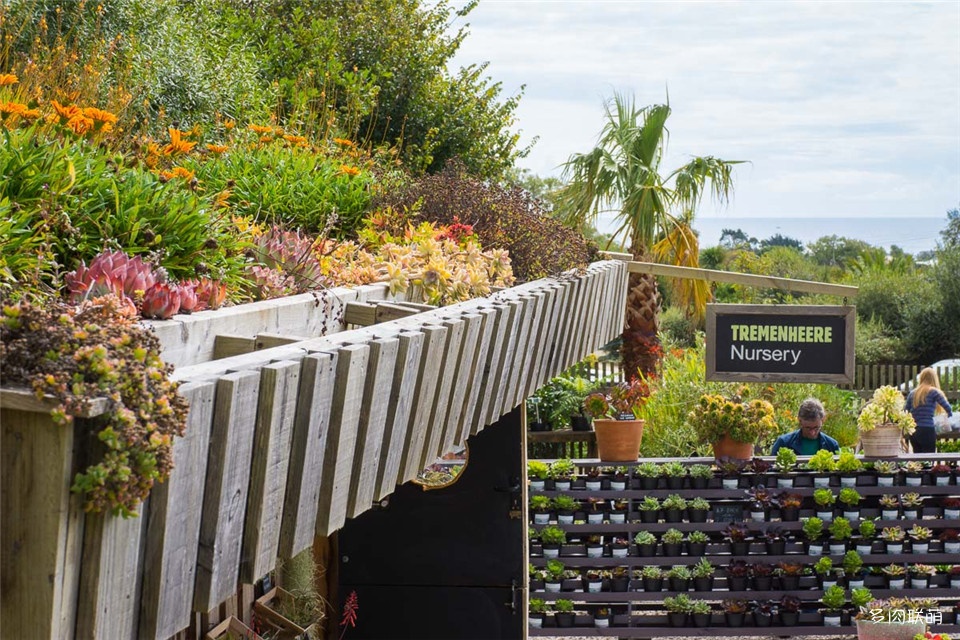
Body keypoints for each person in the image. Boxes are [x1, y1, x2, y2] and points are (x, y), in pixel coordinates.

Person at [770, 398, 840, 456]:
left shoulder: (831, 445)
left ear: (823, 420)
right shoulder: (784, 443)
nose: (812, 433)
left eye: (816, 428)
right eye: (808, 428)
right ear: (800, 421)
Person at [905, 367, 953, 453]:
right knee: (928, 458)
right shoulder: (934, 392)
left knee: (918, 460)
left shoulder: (912, 393)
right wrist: (948, 418)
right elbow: (948, 408)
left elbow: (905, 411)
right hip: (927, 429)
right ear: (934, 379)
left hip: (913, 430)